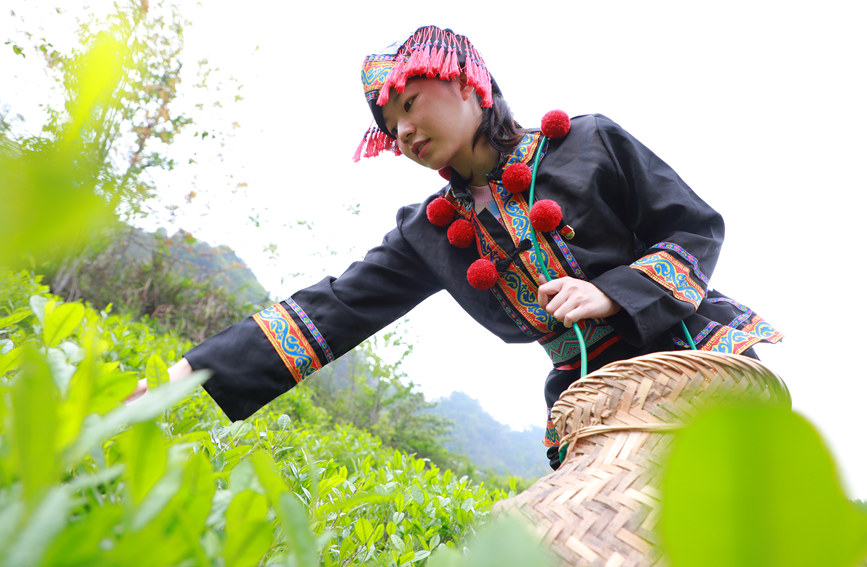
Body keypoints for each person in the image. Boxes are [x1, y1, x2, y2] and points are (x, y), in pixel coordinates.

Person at [140, 25, 782, 469]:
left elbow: (695, 227)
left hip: (687, 356)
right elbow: (330, 313)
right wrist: (180, 382)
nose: (406, 131)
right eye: (391, 127)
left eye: (411, 104)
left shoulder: (588, 143)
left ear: (471, 83)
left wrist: (613, 293)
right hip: (589, 401)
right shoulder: (429, 233)